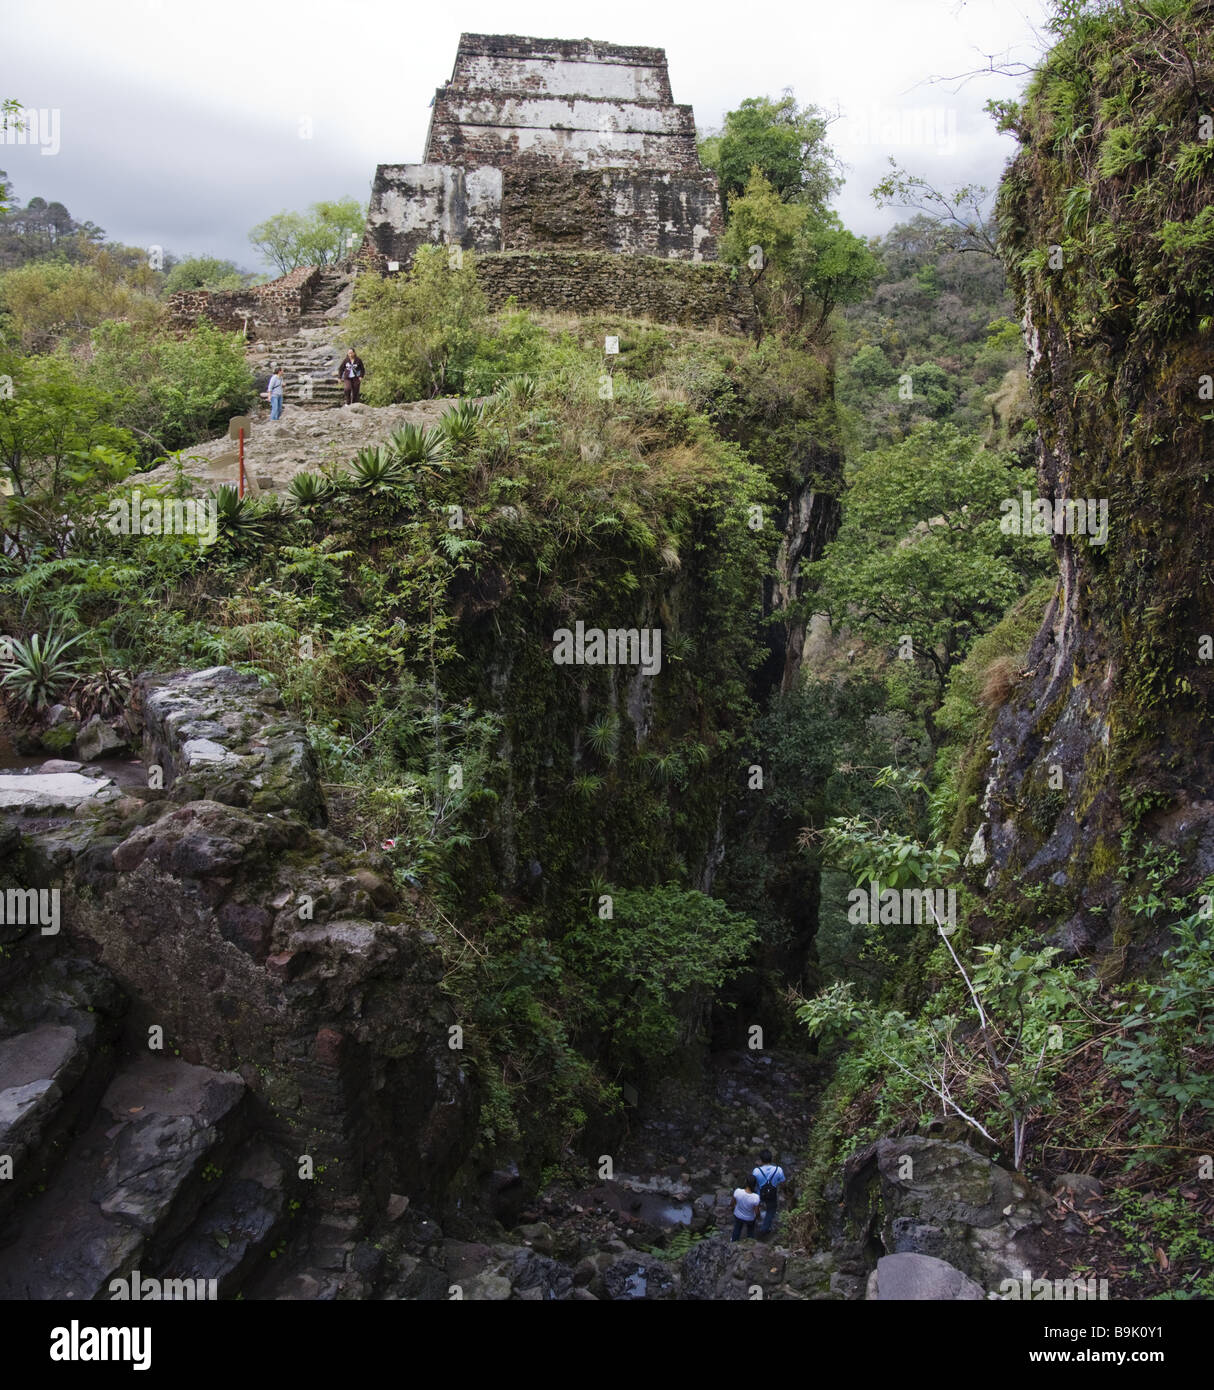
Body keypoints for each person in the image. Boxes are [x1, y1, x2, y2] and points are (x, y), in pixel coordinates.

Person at [752, 1149, 787, 1237]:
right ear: (771, 1159)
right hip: (772, 1194)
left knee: (756, 1207)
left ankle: (754, 1223)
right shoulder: (778, 1169)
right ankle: (765, 1228)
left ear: (761, 1160)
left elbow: (752, 1182)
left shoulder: (756, 1171)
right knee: (771, 1210)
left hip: (760, 1194)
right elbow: (783, 1182)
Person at [731, 1175, 760, 1242]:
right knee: (750, 1231)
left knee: (737, 1229)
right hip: (749, 1218)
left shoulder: (737, 1191)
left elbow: (732, 1204)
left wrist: (733, 1209)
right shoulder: (756, 1197)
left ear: (745, 1182)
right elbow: (757, 1212)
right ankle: (750, 1243)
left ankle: (734, 1242)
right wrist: (758, 1217)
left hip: (738, 1215)